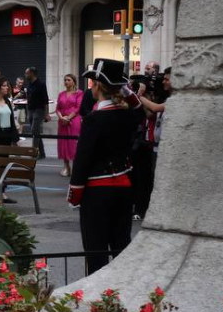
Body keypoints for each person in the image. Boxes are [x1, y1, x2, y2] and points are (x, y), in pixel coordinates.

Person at [68, 58, 144, 275]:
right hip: (124, 187)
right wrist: (127, 91)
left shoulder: (94, 119)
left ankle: (97, 299)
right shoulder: (127, 114)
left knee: (96, 250)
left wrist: (75, 192)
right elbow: (140, 111)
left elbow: (83, 159)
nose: (91, 86)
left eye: (93, 82)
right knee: (121, 246)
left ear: (99, 85)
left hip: (98, 191)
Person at [131, 66, 170, 222]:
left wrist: (140, 95)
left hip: (159, 146)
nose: (164, 82)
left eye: (167, 79)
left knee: (154, 180)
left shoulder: (171, 100)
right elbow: (150, 114)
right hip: (149, 144)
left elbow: (154, 108)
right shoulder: (161, 99)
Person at [54, 74, 84, 177]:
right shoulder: (61, 94)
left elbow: (78, 108)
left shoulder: (79, 93)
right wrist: (61, 117)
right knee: (63, 144)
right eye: (65, 80)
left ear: (73, 81)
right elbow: (57, 108)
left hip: (74, 121)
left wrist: (68, 118)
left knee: (73, 144)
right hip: (62, 121)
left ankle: (76, 167)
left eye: (68, 80)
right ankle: (66, 167)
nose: (66, 82)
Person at [24, 67, 50, 158]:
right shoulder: (29, 84)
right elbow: (28, 99)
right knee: (36, 132)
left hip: (39, 110)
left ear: (32, 74)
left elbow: (46, 100)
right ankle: (42, 153)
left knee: (34, 130)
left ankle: (33, 152)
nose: (25, 75)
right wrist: (27, 112)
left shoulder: (41, 84)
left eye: (27, 73)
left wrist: (47, 114)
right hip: (31, 110)